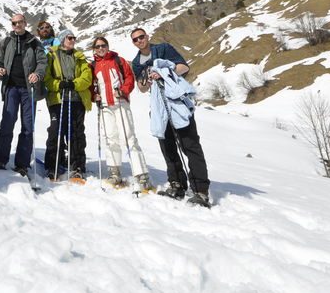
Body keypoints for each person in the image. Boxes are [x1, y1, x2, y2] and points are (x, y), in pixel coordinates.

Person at [130, 27, 210, 206]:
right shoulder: (137, 62)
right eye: (135, 40)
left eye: (141, 37)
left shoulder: (163, 49)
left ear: (147, 36)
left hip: (177, 104)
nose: (139, 41)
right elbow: (141, 88)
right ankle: (177, 184)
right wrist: (147, 81)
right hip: (159, 108)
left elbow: (183, 67)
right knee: (168, 148)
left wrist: (164, 73)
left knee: (190, 145)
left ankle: (201, 190)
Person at [90, 36, 154, 192]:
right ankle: (114, 172)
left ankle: (141, 174)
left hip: (121, 103)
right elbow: (91, 86)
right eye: (97, 46)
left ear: (108, 46)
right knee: (111, 138)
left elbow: (129, 78)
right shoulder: (92, 66)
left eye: (103, 45)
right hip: (105, 106)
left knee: (129, 137)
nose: (100, 48)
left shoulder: (118, 60)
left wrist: (124, 91)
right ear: (94, 49)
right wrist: (94, 96)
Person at [0, 13, 47, 175]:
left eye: (20, 22)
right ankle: (0, 160)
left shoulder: (34, 43)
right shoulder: (6, 41)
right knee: (7, 123)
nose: (17, 25)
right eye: (14, 23)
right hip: (11, 87)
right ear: (12, 24)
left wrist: (37, 73)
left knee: (28, 127)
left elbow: (43, 62)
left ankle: (22, 163)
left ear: (25, 23)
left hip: (29, 89)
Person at [43, 29, 92, 181]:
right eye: (69, 38)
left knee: (76, 133)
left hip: (76, 99)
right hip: (58, 99)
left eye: (73, 38)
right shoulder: (52, 55)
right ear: (62, 39)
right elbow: (46, 77)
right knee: (56, 131)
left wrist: (74, 84)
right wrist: (59, 84)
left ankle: (77, 166)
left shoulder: (80, 57)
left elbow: (87, 77)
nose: (72, 40)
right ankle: (53, 165)